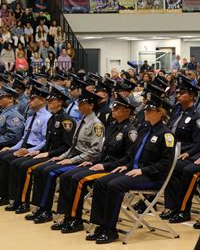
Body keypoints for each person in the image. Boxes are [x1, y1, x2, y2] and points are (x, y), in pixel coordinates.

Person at [86, 93, 175, 244]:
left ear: (160, 113)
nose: (145, 112)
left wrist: (143, 170)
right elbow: (133, 156)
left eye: (150, 110)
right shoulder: (144, 131)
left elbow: (165, 164)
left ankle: (110, 229)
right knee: (101, 182)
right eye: (145, 110)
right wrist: (125, 166)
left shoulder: (166, 135)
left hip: (152, 177)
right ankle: (100, 225)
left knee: (115, 185)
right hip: (134, 172)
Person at [52, 94, 138, 232]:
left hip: (114, 168)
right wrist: (93, 162)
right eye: (114, 107)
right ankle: (67, 216)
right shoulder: (112, 127)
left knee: (77, 179)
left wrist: (104, 165)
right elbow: (102, 151)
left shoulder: (130, 131)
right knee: (66, 176)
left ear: (127, 111)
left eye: (117, 108)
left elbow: (129, 158)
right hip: (102, 164)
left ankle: (76, 219)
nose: (113, 110)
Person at [24, 89, 104, 223]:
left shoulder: (96, 124)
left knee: (52, 173)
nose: (79, 106)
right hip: (74, 158)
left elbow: (94, 151)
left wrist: (71, 160)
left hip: (83, 161)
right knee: (40, 170)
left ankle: (66, 215)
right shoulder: (82, 121)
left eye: (82, 103)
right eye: (79, 103)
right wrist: (62, 157)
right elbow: (73, 147)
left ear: (91, 105)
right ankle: (42, 208)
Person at [4, 85, 76, 213]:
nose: (48, 103)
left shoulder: (66, 121)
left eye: (51, 101)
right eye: (48, 100)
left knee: (32, 168)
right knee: (17, 163)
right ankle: (19, 200)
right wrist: (38, 151)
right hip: (47, 153)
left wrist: (46, 153)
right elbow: (47, 142)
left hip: (58, 156)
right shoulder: (52, 118)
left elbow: (66, 146)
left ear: (60, 102)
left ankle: (42, 208)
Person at [0, 86, 52, 207]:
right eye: (29, 98)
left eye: (33, 99)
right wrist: (13, 148)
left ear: (42, 101)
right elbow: (24, 138)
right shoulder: (31, 117)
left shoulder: (47, 118)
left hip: (36, 149)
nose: (29, 101)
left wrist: (29, 150)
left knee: (12, 162)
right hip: (24, 146)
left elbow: (45, 141)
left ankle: (17, 199)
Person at [165, 85, 200, 225]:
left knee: (195, 171)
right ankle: (174, 207)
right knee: (174, 166)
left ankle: (193, 212)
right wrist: (189, 153)